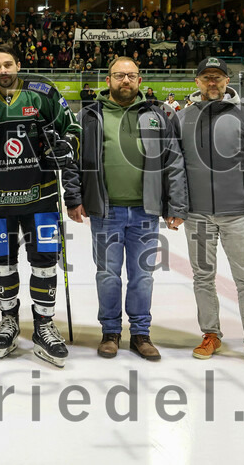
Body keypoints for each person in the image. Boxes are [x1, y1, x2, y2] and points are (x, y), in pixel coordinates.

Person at [0, 44, 80, 366]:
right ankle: (8, 319)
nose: (3, 71)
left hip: (42, 197)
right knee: (3, 266)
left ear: (18, 64)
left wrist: (67, 148)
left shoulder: (43, 93)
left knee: (45, 263)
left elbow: (73, 129)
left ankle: (44, 325)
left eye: (8, 64)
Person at [67, 57, 188, 360]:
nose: (125, 81)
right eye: (119, 75)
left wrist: (176, 204)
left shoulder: (157, 115)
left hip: (146, 212)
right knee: (108, 275)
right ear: (107, 80)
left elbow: (173, 162)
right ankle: (110, 332)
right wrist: (73, 197)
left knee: (142, 276)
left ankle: (140, 333)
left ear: (140, 80)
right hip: (105, 211)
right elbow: (73, 161)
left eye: (131, 76)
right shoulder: (88, 116)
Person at [176, 57, 244, 371]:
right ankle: (211, 334)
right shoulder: (181, 118)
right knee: (203, 278)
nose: (212, 82)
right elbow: (173, 168)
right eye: (206, 77)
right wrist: (176, 207)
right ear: (197, 82)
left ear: (226, 81)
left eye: (218, 77)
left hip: (237, 215)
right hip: (199, 216)